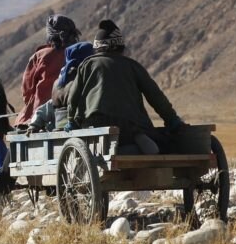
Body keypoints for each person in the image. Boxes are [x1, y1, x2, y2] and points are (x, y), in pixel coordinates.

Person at [66, 20, 185, 154]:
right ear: (120, 47)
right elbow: (155, 96)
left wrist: (71, 121)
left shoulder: (86, 65)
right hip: (129, 125)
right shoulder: (132, 66)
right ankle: (141, 145)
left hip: (94, 124)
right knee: (161, 142)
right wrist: (172, 119)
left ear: (97, 48)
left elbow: (73, 97)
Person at [15, 15, 81, 127]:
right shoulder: (81, 53)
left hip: (40, 117)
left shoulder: (40, 56)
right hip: (75, 114)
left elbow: (27, 91)